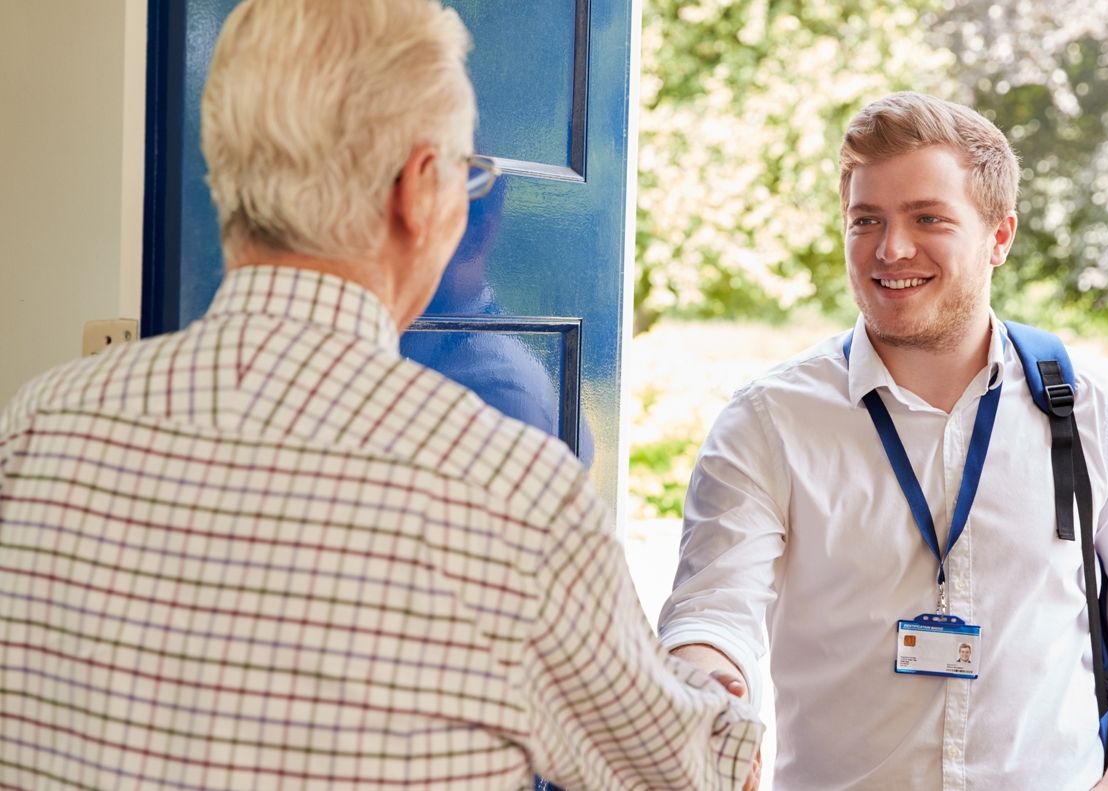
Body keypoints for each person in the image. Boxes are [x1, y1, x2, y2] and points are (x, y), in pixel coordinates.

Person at [0, 1, 759, 788]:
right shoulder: (510, 494)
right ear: (420, 188)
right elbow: (683, 773)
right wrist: (711, 690)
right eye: (469, 172)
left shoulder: (38, 426)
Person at [660, 92, 1108, 789]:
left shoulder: (1096, 409)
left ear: (999, 236)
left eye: (927, 218)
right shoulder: (769, 420)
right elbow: (713, 606)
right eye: (866, 220)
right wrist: (711, 689)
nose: (890, 249)